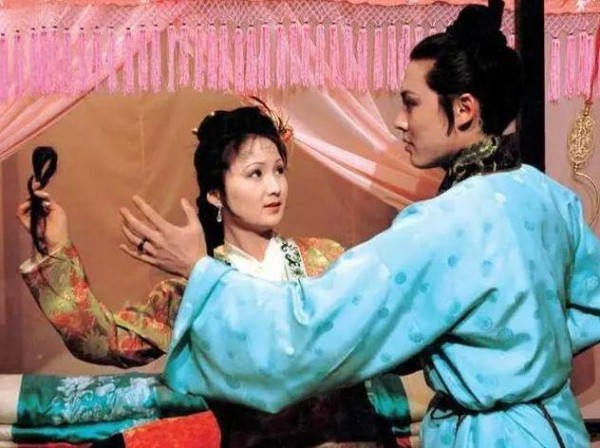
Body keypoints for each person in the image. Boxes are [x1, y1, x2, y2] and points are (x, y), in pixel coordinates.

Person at [119, 2, 600, 447]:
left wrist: (199, 270)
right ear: (216, 192)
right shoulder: (550, 196)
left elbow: (305, 334)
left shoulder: (438, 225)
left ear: (463, 109)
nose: (399, 121)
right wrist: (519, 352)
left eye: (411, 103)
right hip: (555, 426)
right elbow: (590, 305)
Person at [17, 105, 431, 446]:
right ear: (216, 193)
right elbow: (103, 341)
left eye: (279, 170)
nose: (275, 187)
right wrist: (55, 249)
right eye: (255, 173)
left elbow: (384, 327)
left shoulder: (324, 259)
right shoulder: (193, 287)